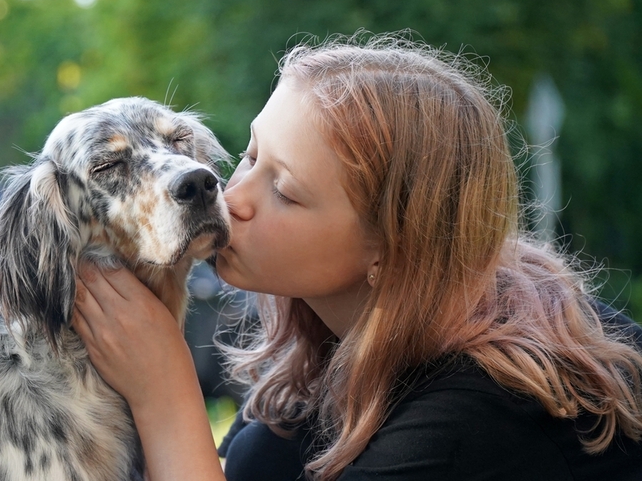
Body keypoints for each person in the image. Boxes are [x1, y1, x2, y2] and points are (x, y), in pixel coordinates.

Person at [71, 32, 642, 481]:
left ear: (393, 250)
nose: (230, 196)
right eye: (249, 155)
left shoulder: (476, 421)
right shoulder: (335, 335)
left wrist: (164, 395)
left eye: (285, 191)